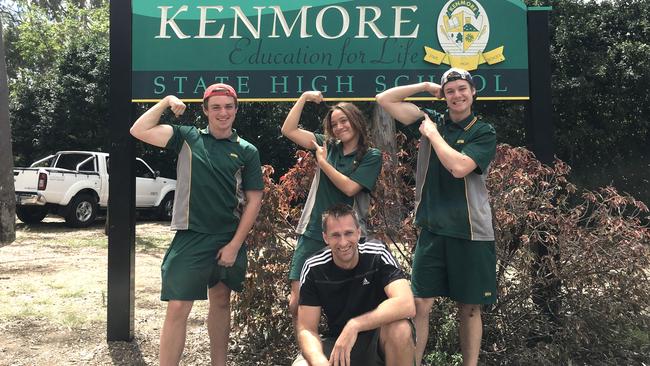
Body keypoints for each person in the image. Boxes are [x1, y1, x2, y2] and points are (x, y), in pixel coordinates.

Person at [129, 83, 264, 366]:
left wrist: (234, 245)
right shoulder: (187, 137)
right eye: (215, 107)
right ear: (205, 110)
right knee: (178, 307)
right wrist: (166, 101)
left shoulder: (247, 150)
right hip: (190, 237)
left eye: (229, 106)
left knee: (221, 301)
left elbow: (254, 201)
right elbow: (138, 130)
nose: (223, 112)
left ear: (236, 109)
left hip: (228, 238)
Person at [376, 68, 497, 366]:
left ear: (473, 93)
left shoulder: (483, 131)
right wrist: (428, 85)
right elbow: (384, 99)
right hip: (432, 228)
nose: (457, 95)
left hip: (471, 231)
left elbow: (459, 167)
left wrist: (432, 135)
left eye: (462, 89)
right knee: (418, 304)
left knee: (469, 308)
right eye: (451, 90)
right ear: (444, 95)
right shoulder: (432, 118)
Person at [281, 91, 383, 328]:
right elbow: (289, 129)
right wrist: (304, 98)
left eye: (343, 121)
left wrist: (323, 163)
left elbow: (349, 188)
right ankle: (307, 355)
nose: (338, 127)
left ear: (355, 120)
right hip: (314, 231)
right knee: (297, 301)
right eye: (334, 124)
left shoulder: (371, 155)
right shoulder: (328, 145)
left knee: (348, 299)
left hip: (346, 236)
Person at [294, 203, 416, 366]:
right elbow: (306, 329)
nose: (343, 242)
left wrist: (355, 325)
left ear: (359, 233)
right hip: (337, 342)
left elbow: (406, 304)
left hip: (377, 340)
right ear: (325, 238)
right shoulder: (314, 268)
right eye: (335, 235)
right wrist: (319, 361)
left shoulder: (376, 254)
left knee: (400, 329)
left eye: (348, 233)